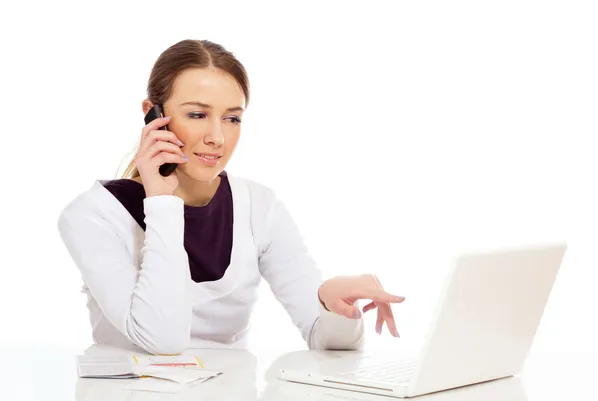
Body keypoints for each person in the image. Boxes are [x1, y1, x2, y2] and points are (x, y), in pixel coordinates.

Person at [57, 39, 405, 355]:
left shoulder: (259, 207)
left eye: (232, 118)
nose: (217, 138)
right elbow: (163, 340)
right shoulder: (93, 215)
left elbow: (327, 344)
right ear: (154, 114)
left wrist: (333, 307)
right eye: (197, 115)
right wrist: (162, 202)